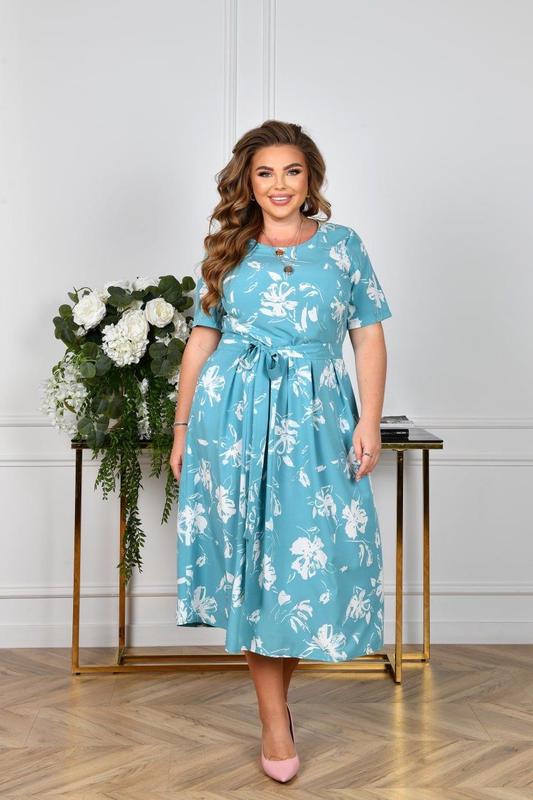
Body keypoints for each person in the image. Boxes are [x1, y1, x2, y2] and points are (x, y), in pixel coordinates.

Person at [169, 119, 392, 782]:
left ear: (310, 178)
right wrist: (181, 430)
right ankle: (274, 718)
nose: (278, 185)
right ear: (247, 181)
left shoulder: (344, 246)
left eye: (291, 171)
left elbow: (368, 336)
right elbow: (201, 342)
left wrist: (370, 420)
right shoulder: (227, 249)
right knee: (250, 565)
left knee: (302, 563)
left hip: (317, 420)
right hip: (231, 418)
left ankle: (277, 705)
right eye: (264, 173)